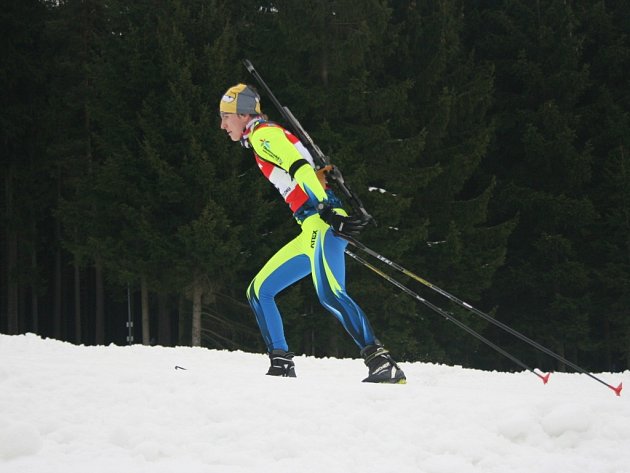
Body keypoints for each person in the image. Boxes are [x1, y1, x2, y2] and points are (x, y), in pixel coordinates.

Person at [219, 83, 406, 384]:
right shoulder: (266, 134)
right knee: (259, 290)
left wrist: (325, 208)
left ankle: (381, 362)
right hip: (311, 227)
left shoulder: (262, 135)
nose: (222, 124)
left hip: (321, 221)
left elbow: (300, 169)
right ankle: (281, 364)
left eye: (225, 116)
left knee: (330, 294)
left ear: (241, 115)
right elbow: (307, 168)